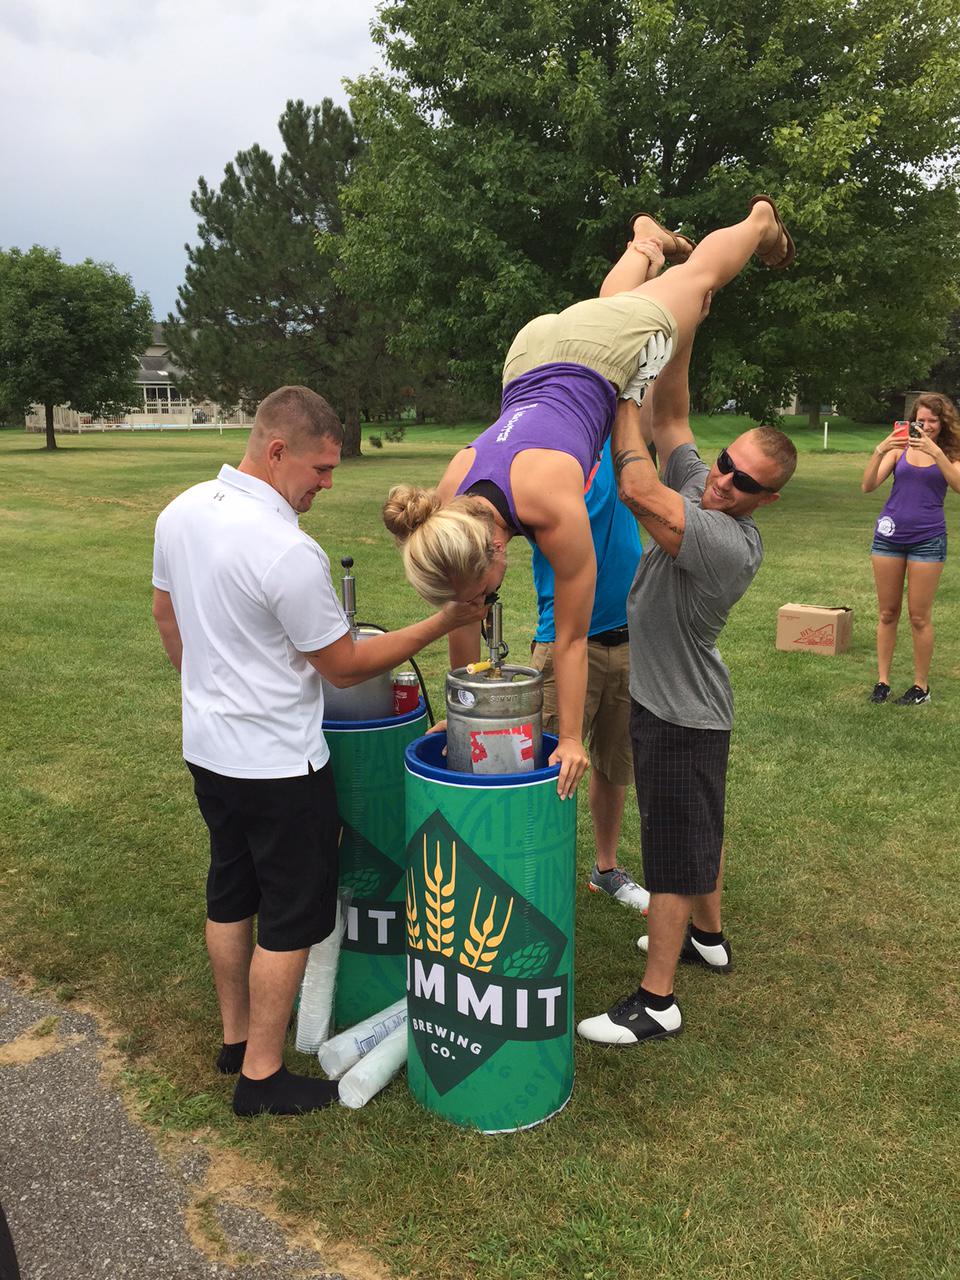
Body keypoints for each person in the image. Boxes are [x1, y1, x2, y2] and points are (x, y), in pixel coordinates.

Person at [383, 197, 795, 801]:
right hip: (530, 352)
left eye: (482, 591)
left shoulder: (554, 507)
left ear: (496, 547)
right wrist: (459, 708)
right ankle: (645, 241)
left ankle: (758, 222)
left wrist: (572, 738)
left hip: (585, 359)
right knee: (612, 309)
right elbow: (462, 620)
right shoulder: (447, 507)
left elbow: (571, 640)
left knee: (699, 279)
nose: (479, 603)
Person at [152, 386, 486, 1116]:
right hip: (279, 764)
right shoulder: (286, 551)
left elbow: (165, 615)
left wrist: (210, 690)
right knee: (292, 913)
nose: (328, 484)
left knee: (231, 889)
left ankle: (236, 1039)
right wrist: (443, 622)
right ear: (278, 451)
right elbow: (345, 666)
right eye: (322, 469)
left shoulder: (181, 512)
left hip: (208, 749)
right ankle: (262, 1076)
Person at [575, 314, 798, 1047]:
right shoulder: (706, 487)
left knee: (671, 851)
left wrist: (622, 391)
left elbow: (638, 487)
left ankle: (657, 1001)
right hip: (676, 701)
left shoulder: (727, 540)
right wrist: (680, 327)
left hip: (681, 714)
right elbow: (673, 418)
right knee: (699, 828)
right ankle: (708, 937)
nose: (725, 480)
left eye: (746, 482)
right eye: (728, 463)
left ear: (767, 499)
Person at [530, 437, 650, 910]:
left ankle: (605, 869)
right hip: (563, 646)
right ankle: (530, 872)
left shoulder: (623, 446)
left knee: (614, 764)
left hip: (630, 641)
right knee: (541, 767)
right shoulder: (557, 455)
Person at [861, 392, 960, 706]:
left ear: (943, 423)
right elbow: (868, 485)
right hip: (889, 537)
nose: (926, 426)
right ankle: (883, 682)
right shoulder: (900, 448)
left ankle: (921, 686)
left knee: (919, 617)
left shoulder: (949, 452)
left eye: (933, 420)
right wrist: (881, 449)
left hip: (928, 539)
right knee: (887, 613)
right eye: (921, 420)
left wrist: (935, 452)